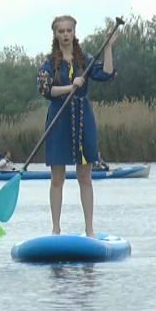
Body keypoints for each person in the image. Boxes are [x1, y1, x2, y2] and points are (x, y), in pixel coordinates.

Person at [36, 15, 118, 237]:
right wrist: (69, 87)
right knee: (57, 178)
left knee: (85, 177)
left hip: (83, 118)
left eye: (68, 31)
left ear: (74, 32)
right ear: (55, 34)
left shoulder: (85, 60)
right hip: (58, 117)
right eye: (60, 31)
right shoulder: (48, 62)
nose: (65, 35)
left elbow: (107, 74)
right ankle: (55, 229)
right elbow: (46, 90)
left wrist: (108, 47)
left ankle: (89, 229)